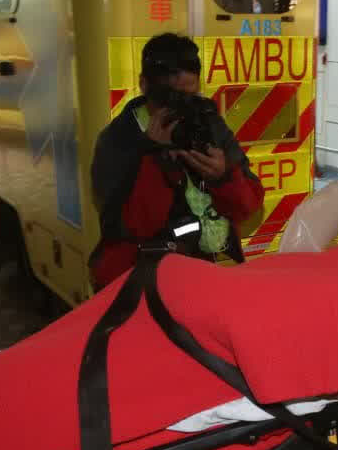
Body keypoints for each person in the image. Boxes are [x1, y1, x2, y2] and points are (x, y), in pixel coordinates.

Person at [89, 33, 264, 288]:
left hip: (208, 273)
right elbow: (133, 228)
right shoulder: (118, 140)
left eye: (188, 97)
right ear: (143, 84)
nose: (179, 109)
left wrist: (224, 177)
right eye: (169, 98)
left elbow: (249, 206)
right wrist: (153, 156)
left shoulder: (208, 125)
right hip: (143, 281)